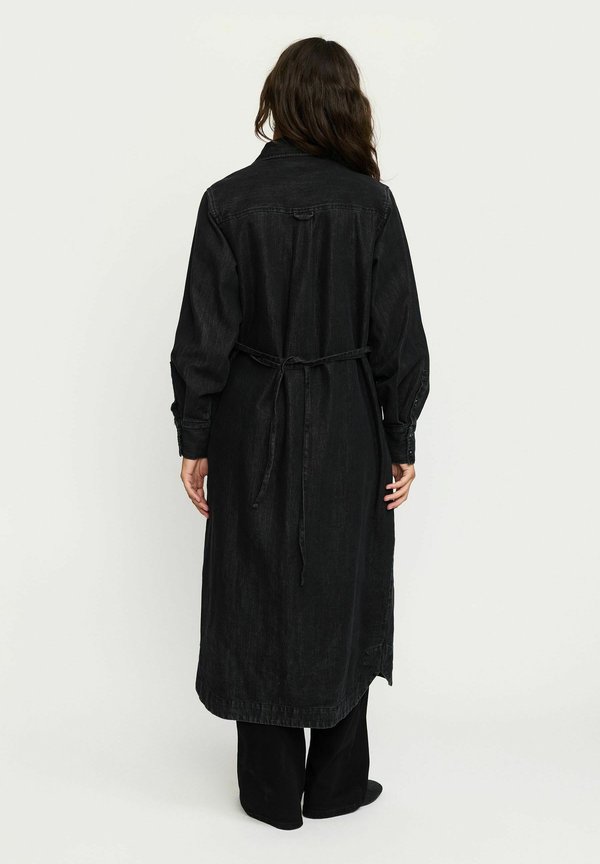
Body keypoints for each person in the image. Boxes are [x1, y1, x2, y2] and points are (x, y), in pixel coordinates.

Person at [169, 37, 430, 830]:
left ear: (277, 103)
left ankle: (270, 790)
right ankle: (338, 784)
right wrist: (400, 437)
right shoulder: (371, 206)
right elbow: (400, 339)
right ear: (347, 106)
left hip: (252, 423)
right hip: (349, 422)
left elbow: (202, 338)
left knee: (256, 582)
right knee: (343, 584)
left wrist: (196, 439)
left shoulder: (227, 203)